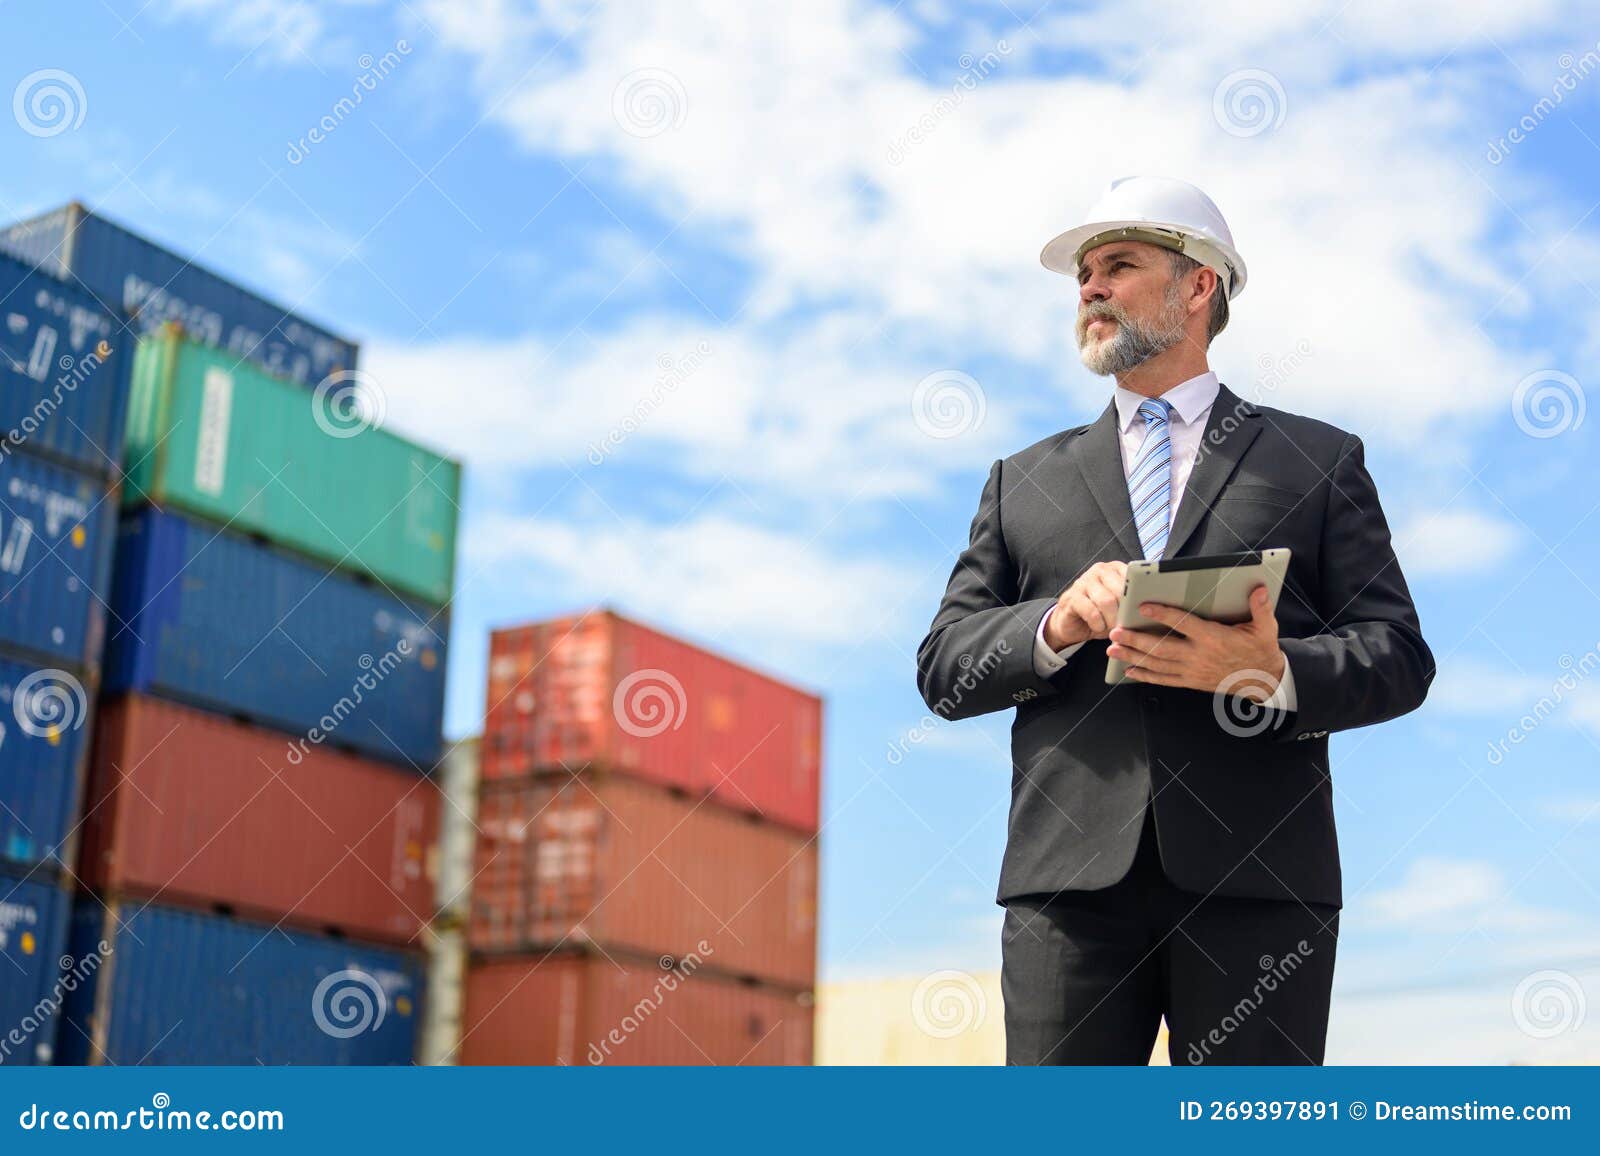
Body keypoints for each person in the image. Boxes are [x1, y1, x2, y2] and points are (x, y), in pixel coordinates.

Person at [915, 175, 1435, 1065]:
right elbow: (943, 667)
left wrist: (1264, 672)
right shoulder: (1021, 480)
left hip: (1261, 884)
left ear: (1201, 286)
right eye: (1083, 274)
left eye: (1118, 265)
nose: (1089, 288)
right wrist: (1055, 624)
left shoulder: (1315, 460)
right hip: (1067, 894)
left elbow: (1397, 655)